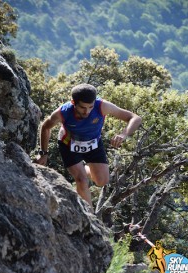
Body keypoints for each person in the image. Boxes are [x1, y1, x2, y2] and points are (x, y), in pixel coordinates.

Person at [35, 83, 141, 211]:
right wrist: (43, 152)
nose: (87, 111)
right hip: (69, 145)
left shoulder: (102, 106)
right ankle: (90, 216)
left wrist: (124, 134)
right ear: (73, 102)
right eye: (82, 107)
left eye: (90, 107)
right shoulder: (62, 112)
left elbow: (134, 118)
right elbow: (45, 127)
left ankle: (83, 168)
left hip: (93, 144)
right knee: (81, 180)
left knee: (102, 181)